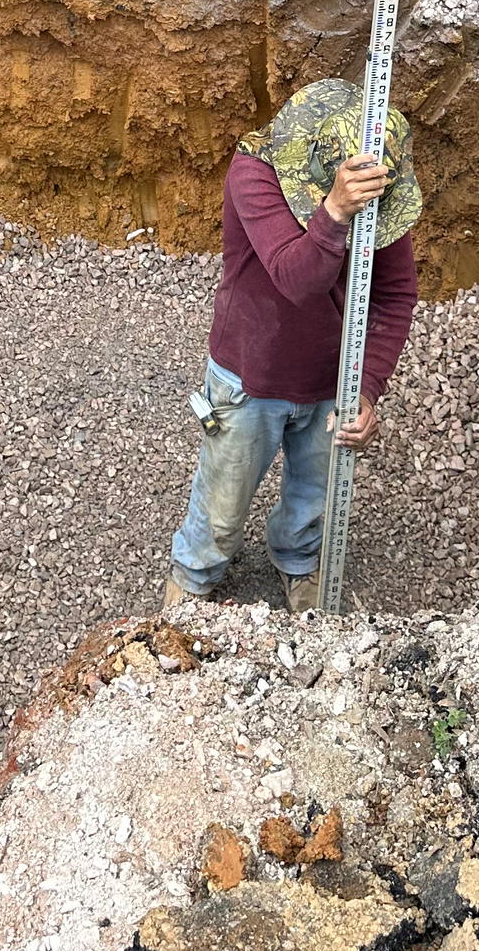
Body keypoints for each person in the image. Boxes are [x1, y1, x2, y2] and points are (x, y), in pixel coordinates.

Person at [166, 80, 421, 617]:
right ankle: (194, 577)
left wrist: (367, 387)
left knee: (314, 499)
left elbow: (396, 294)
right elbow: (296, 278)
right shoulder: (254, 173)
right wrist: (333, 215)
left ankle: (299, 561)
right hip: (248, 377)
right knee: (222, 504)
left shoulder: (376, 188)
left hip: (333, 383)